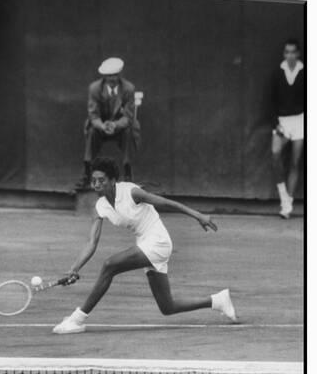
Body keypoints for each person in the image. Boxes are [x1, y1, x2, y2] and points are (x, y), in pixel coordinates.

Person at [54, 156, 237, 334]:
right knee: (167, 306)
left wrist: (198, 215)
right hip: (144, 243)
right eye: (93, 181)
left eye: (101, 180)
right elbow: (92, 241)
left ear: (113, 180)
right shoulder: (100, 207)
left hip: (158, 241)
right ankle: (217, 301)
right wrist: (74, 269)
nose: (96, 185)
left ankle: (77, 319)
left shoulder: (131, 192)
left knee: (110, 265)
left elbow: (165, 203)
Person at [77, 57, 140, 188]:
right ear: (104, 76)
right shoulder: (94, 88)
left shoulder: (128, 88)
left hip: (120, 127)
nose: (112, 79)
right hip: (100, 127)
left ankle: (128, 173)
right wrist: (102, 125)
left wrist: (115, 125)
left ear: (119, 75)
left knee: (130, 131)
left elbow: (128, 116)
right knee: (91, 131)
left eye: (115, 75)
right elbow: (93, 114)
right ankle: (87, 173)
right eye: (109, 76)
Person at [270, 39, 304, 219]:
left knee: (295, 162)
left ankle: (288, 203)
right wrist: (276, 123)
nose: (290, 55)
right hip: (281, 121)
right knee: (275, 155)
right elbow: (271, 100)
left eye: (293, 52)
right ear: (284, 54)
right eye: (287, 52)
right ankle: (284, 197)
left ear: (298, 54)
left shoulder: (306, 72)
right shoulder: (277, 73)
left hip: (300, 120)